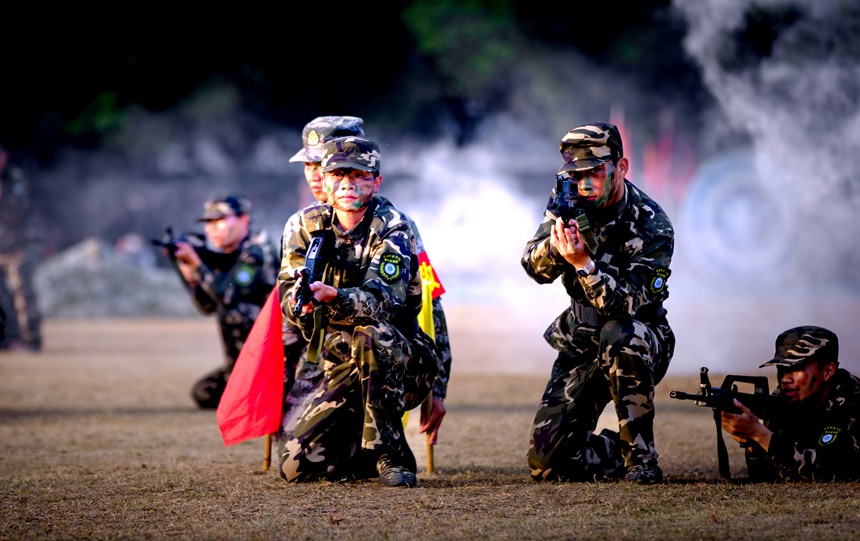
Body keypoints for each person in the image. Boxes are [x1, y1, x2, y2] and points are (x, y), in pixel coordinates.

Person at [277, 116, 451, 452]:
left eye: (321, 162)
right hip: (328, 353)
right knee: (297, 453)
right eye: (310, 164)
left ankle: (388, 452)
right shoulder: (302, 224)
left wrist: (438, 388)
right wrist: (282, 389)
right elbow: (288, 313)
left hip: (383, 350)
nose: (313, 174)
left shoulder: (395, 225)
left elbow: (430, 304)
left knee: (371, 343)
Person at [522, 122, 675, 484]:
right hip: (583, 338)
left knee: (620, 334)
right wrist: (556, 249)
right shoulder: (567, 200)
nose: (584, 182)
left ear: (620, 168)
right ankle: (616, 454)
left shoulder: (653, 226)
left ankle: (641, 459)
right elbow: (533, 267)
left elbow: (625, 307)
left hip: (638, 338)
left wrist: (583, 265)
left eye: (594, 172)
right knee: (547, 464)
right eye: (575, 174)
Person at [167, 193, 280, 409]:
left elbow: (227, 296)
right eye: (208, 223)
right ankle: (240, 379)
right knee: (204, 392)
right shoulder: (228, 254)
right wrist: (185, 268)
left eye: (220, 220)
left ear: (244, 219)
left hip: (277, 352)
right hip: (253, 353)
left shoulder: (257, 251)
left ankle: (250, 382)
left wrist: (198, 263)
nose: (213, 228)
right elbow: (206, 305)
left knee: (235, 310)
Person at [721, 325, 860, 481]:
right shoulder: (784, 398)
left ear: (828, 371)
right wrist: (753, 443)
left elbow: (839, 469)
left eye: (797, 368)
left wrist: (763, 436)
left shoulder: (853, 400)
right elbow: (766, 477)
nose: (786, 379)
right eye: (782, 368)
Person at [0, 144, 44, 352]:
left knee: (23, 291)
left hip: (20, 245)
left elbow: (19, 209)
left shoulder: (15, 179)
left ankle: (31, 339)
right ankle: (7, 339)